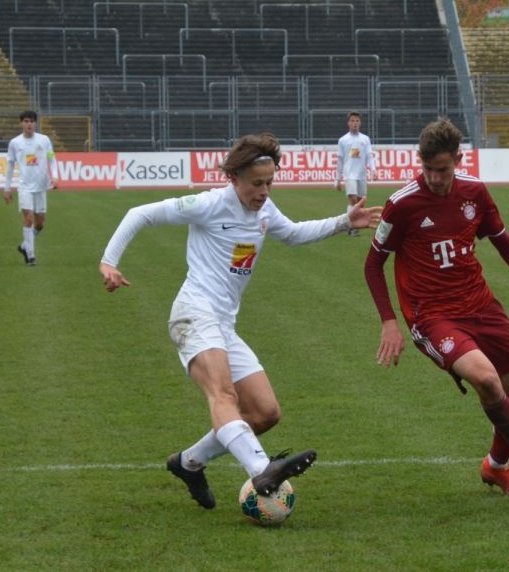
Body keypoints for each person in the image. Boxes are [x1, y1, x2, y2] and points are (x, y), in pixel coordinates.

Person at [98, 133, 382, 510]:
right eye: (256, 184)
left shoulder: (264, 209)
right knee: (224, 395)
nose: (264, 192)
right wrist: (109, 262)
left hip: (223, 325)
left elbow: (293, 234)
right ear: (234, 178)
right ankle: (262, 469)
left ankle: (188, 463)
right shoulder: (210, 204)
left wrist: (344, 221)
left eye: (269, 183)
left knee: (264, 413)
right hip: (193, 313)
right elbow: (140, 213)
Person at [363, 117, 509, 502]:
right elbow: (373, 264)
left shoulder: (474, 192)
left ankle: (495, 466)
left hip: (481, 306)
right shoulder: (402, 204)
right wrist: (389, 321)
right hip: (432, 316)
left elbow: (504, 242)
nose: (434, 178)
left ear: (458, 160)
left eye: (442, 169)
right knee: (488, 381)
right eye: (427, 168)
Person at [3, 110, 59, 266]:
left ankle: (24, 246)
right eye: (26, 121)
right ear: (21, 123)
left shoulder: (44, 140)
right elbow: (10, 166)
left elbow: (52, 158)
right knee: (28, 220)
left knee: (39, 224)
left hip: (41, 186)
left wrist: (55, 176)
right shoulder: (15, 143)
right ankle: (31, 256)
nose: (29, 124)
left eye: (32, 121)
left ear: (36, 123)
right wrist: (7, 188)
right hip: (25, 187)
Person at [337, 111, 376, 210]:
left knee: (361, 202)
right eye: (352, 121)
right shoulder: (343, 140)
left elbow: (369, 155)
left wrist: (373, 170)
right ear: (348, 123)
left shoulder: (365, 139)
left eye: (357, 121)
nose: (355, 123)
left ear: (360, 123)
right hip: (349, 174)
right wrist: (338, 179)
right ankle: (350, 219)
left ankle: (355, 219)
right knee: (353, 199)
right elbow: (340, 160)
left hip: (361, 174)